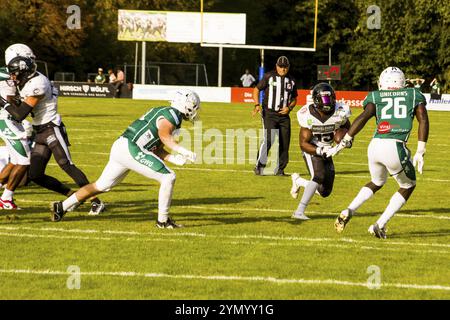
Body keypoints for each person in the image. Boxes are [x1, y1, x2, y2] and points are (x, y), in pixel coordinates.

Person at [51, 89, 200, 228]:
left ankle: (62, 206)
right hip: (131, 147)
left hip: (122, 146)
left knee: (101, 185)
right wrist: (182, 150)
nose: (194, 110)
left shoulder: (165, 112)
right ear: (184, 104)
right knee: (168, 177)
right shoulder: (172, 114)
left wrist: (173, 158)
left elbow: (155, 148)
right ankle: (163, 221)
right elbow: (164, 135)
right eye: (193, 106)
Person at [328, 67, 429, 239]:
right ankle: (379, 225)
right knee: (408, 185)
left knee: (377, 181)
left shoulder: (376, 96)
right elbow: (423, 119)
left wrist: (346, 139)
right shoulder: (412, 94)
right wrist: (421, 149)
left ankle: (349, 210)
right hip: (395, 146)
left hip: (374, 146)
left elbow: (363, 116)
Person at [4, 43, 105, 215]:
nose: (13, 78)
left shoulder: (38, 82)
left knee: (67, 165)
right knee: (35, 175)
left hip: (52, 128)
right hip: (40, 131)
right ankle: (72, 196)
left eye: (15, 74)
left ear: (24, 71)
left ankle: (96, 201)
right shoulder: (29, 80)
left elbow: (20, 114)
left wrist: (3, 102)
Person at [290, 83, 351, 220]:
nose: (327, 103)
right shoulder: (307, 114)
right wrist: (319, 150)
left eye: (329, 98)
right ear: (316, 100)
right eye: (324, 99)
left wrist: (345, 141)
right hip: (313, 148)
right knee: (318, 176)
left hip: (328, 149)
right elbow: (303, 143)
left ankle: (299, 181)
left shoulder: (340, 111)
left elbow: (348, 130)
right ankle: (299, 211)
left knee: (325, 191)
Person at [252, 56, 298, 176]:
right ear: (277, 66)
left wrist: (289, 108)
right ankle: (259, 166)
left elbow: (294, 98)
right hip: (269, 114)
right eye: (281, 66)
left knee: (285, 142)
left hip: (284, 116)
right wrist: (257, 105)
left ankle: (280, 169)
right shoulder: (269, 76)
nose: (283, 69)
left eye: (285, 67)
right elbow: (256, 89)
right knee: (269, 139)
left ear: (288, 67)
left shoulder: (292, 80)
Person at [0, 66, 32, 208]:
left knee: (15, 160)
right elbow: (9, 99)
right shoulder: (5, 75)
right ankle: (6, 199)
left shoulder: (6, 73)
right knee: (25, 161)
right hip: (6, 121)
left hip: (9, 120)